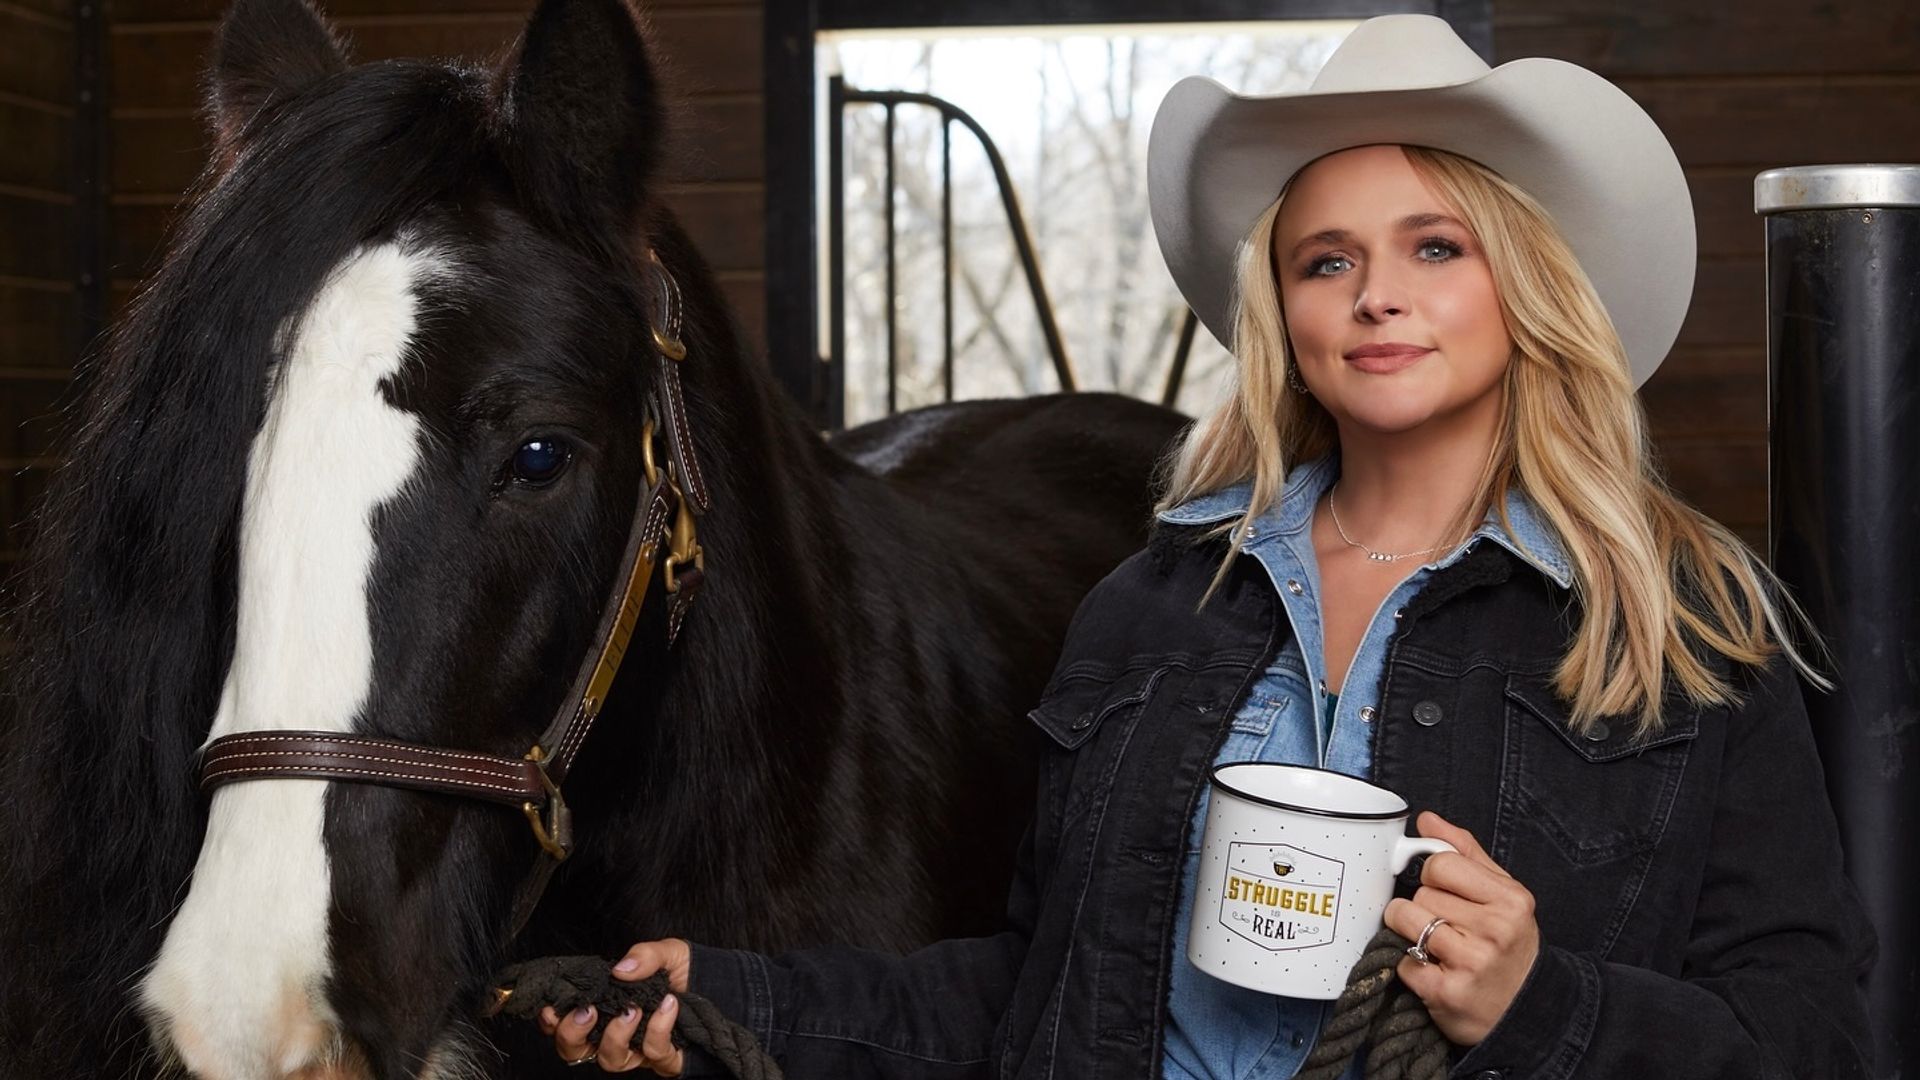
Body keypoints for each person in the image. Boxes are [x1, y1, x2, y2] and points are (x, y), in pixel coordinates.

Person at [535, 15, 1876, 1078]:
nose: (1378, 297)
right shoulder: (1157, 603)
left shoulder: (1682, 630)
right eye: (1326, 262)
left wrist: (1542, 1005)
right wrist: (730, 993)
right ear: (1283, 310)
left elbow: (1809, 1039)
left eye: (1435, 246)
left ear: (1523, 291)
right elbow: (1035, 989)